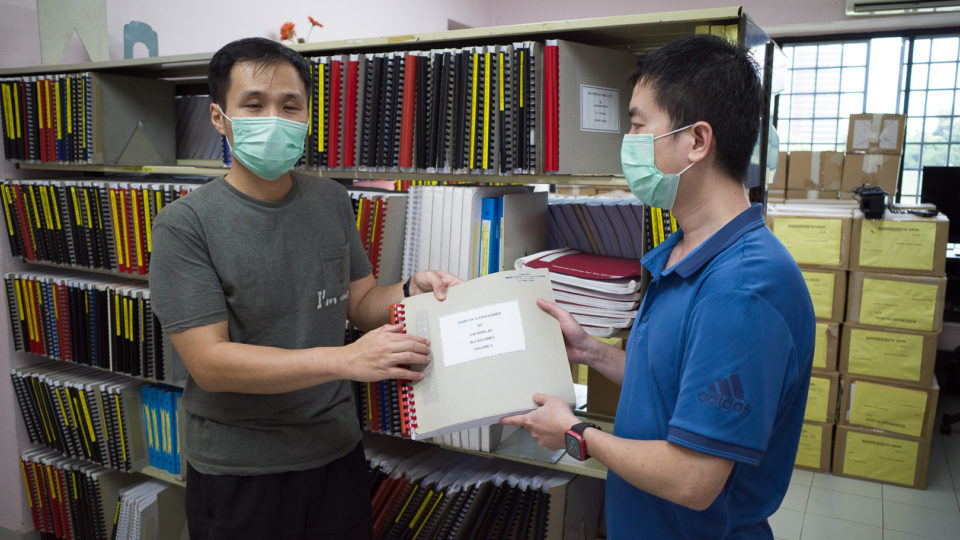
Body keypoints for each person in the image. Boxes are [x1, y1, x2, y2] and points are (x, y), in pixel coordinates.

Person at [502, 35, 815, 538]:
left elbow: (693, 479)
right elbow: (676, 388)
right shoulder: (681, 252)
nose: (627, 141)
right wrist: (593, 352)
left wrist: (576, 434)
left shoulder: (742, 290)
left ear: (696, 141)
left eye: (637, 124)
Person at [149, 37, 460, 540]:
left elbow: (359, 304)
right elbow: (209, 363)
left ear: (308, 117)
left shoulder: (330, 200)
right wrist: (343, 361)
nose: (274, 117)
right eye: (254, 104)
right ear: (218, 117)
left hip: (336, 452)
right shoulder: (184, 225)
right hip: (241, 470)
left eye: (289, 106)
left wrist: (409, 288)